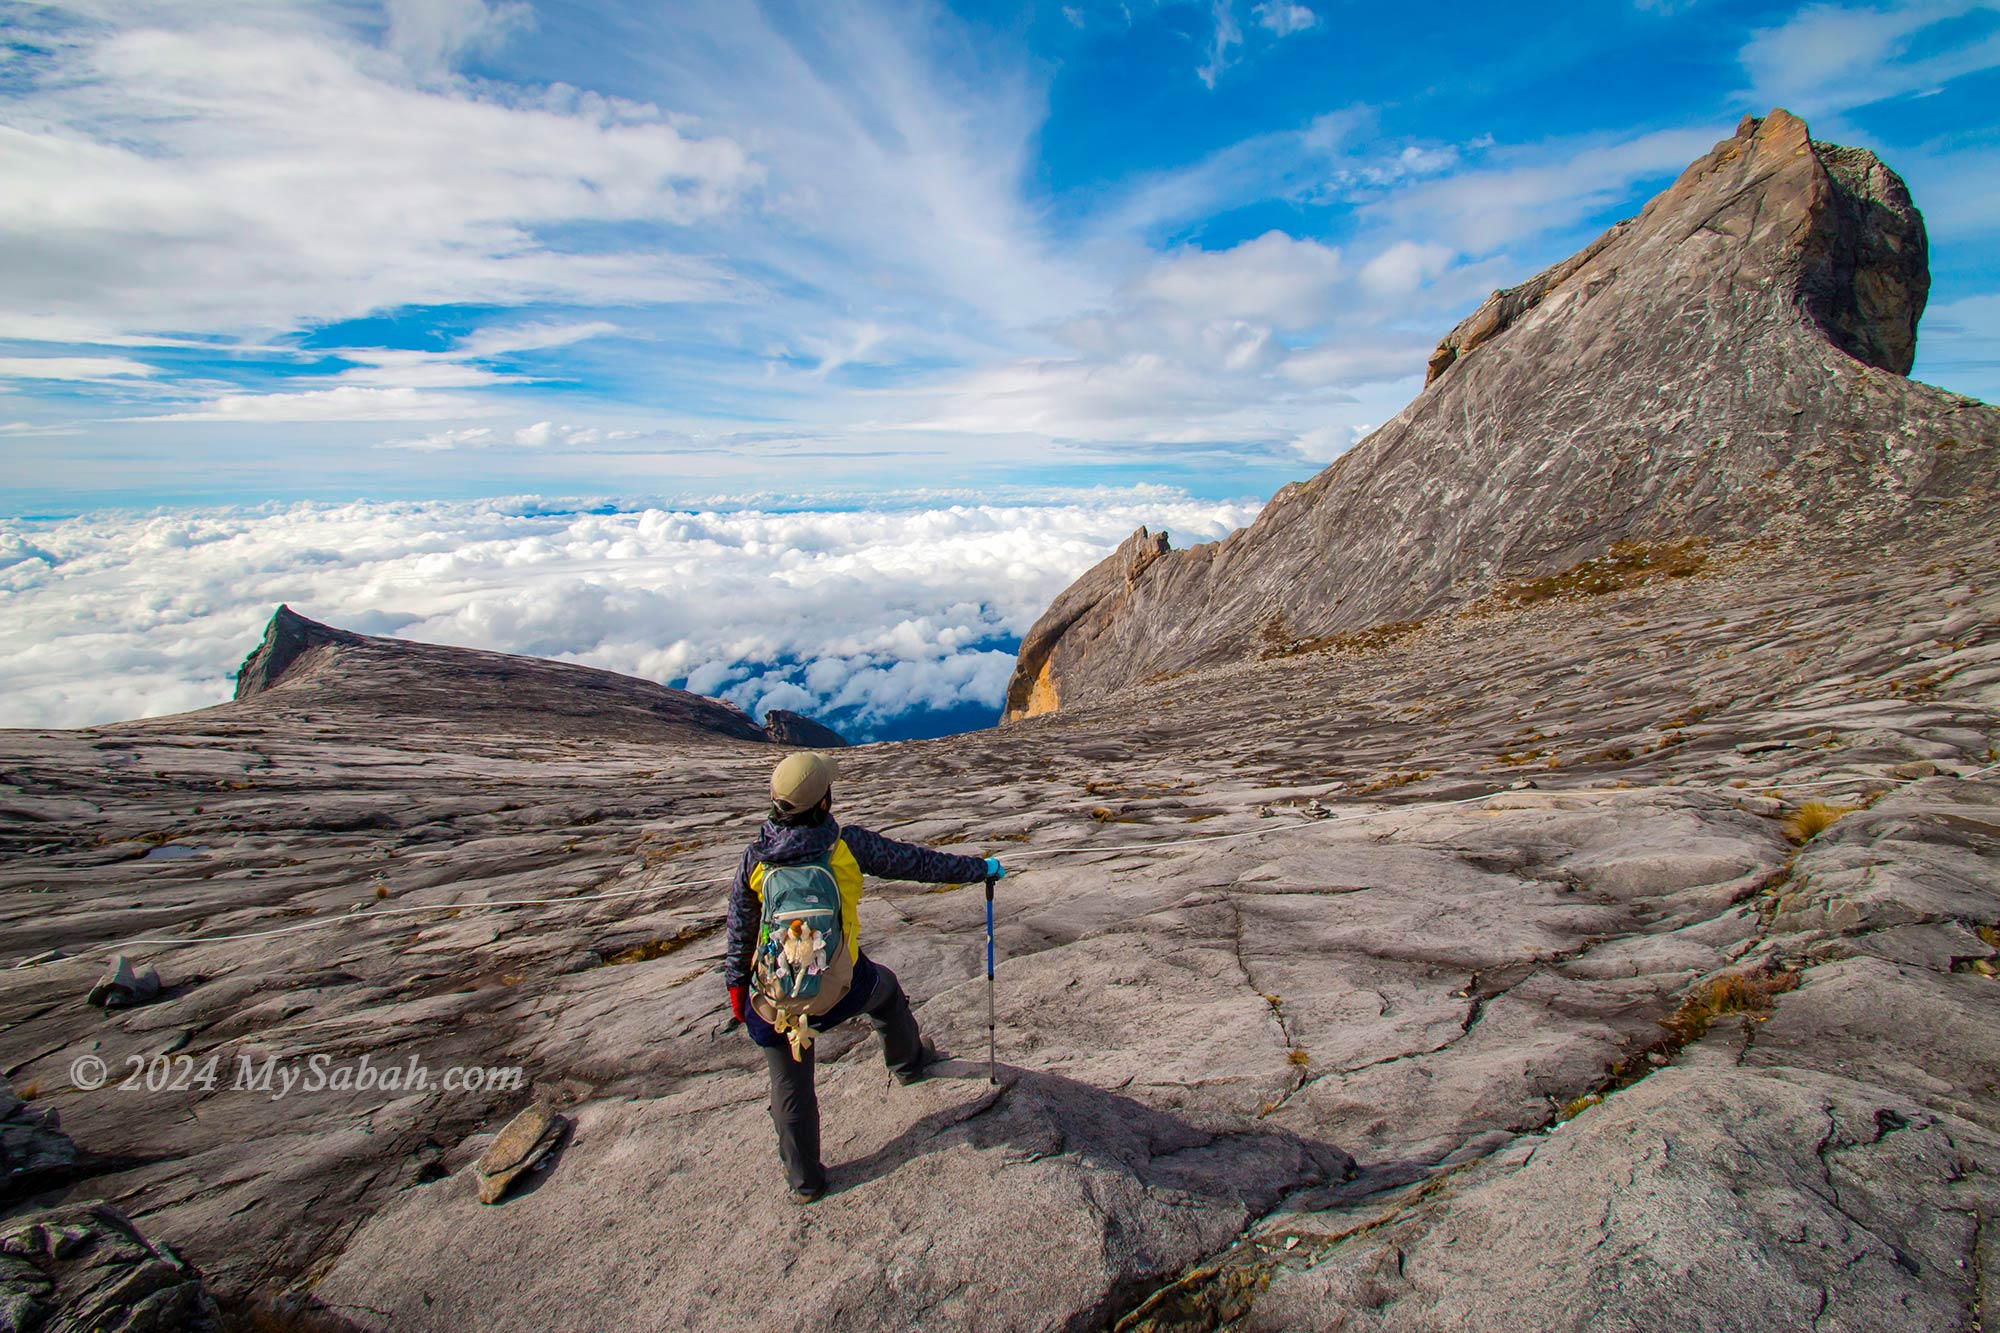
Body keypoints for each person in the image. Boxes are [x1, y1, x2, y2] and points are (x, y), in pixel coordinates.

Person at [724, 751, 1006, 1203]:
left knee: (790, 1082)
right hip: (842, 986)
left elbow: (740, 929)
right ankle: (908, 1063)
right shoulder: (846, 846)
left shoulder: (755, 860)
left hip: (776, 996)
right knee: (887, 991)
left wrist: (738, 989)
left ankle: (805, 1182)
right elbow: (918, 864)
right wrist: (981, 869)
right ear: (821, 804)